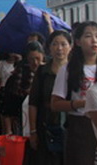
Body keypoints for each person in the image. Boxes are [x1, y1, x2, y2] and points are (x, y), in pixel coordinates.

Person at [51, 21, 97, 165]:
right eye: (88, 36)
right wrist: (80, 104)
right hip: (80, 126)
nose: (94, 40)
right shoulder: (68, 69)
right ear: (78, 42)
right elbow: (55, 104)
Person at [28, 29, 72, 165]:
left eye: (63, 44)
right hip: (45, 126)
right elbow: (33, 102)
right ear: (49, 48)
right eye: (55, 44)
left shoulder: (75, 71)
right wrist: (33, 131)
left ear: (70, 47)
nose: (59, 48)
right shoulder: (42, 71)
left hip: (70, 127)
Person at [2, 41, 44, 137]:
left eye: (38, 58)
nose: (35, 62)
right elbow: (14, 94)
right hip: (23, 112)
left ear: (43, 55)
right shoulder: (21, 70)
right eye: (31, 59)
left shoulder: (48, 69)